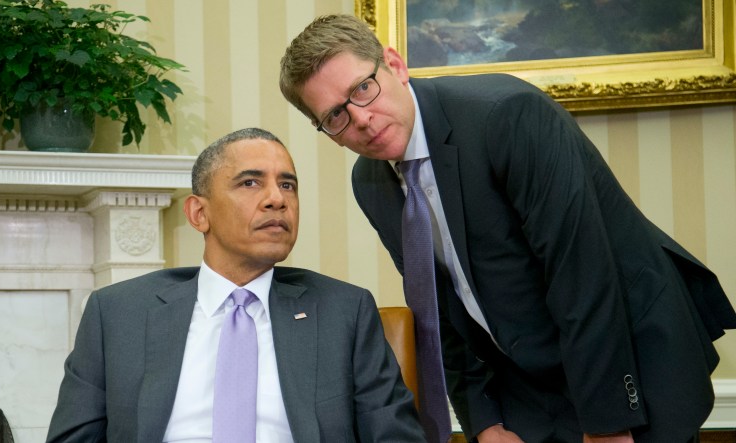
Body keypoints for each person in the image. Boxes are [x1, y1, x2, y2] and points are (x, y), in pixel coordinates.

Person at [279, 14, 736, 443]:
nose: (360, 118)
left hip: (630, 365)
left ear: (395, 65)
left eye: (363, 88)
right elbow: (436, 304)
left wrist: (609, 423)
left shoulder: (506, 116)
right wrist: (484, 420)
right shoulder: (371, 181)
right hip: (530, 390)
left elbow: (582, 275)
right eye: (334, 116)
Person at [46, 127, 426, 442]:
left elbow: (395, 436)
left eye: (288, 185)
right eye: (250, 183)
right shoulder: (118, 313)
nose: (277, 199)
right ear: (199, 213)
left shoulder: (343, 311)